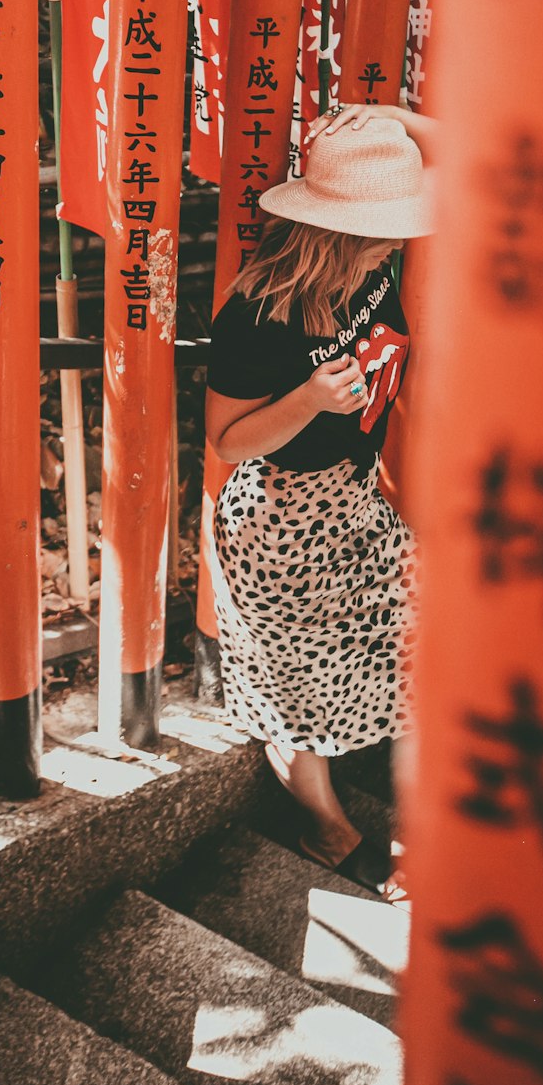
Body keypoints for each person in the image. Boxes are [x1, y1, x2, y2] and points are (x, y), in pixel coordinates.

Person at [205, 101, 436, 899]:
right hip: (280, 518)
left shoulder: (375, 267)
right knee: (299, 680)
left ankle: (424, 802)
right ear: (333, 233)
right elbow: (229, 442)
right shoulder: (257, 312)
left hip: (356, 501)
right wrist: (307, 399)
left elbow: (481, 172)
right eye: (384, 233)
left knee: (413, 629)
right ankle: (325, 826)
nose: (396, 248)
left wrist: (388, 121)